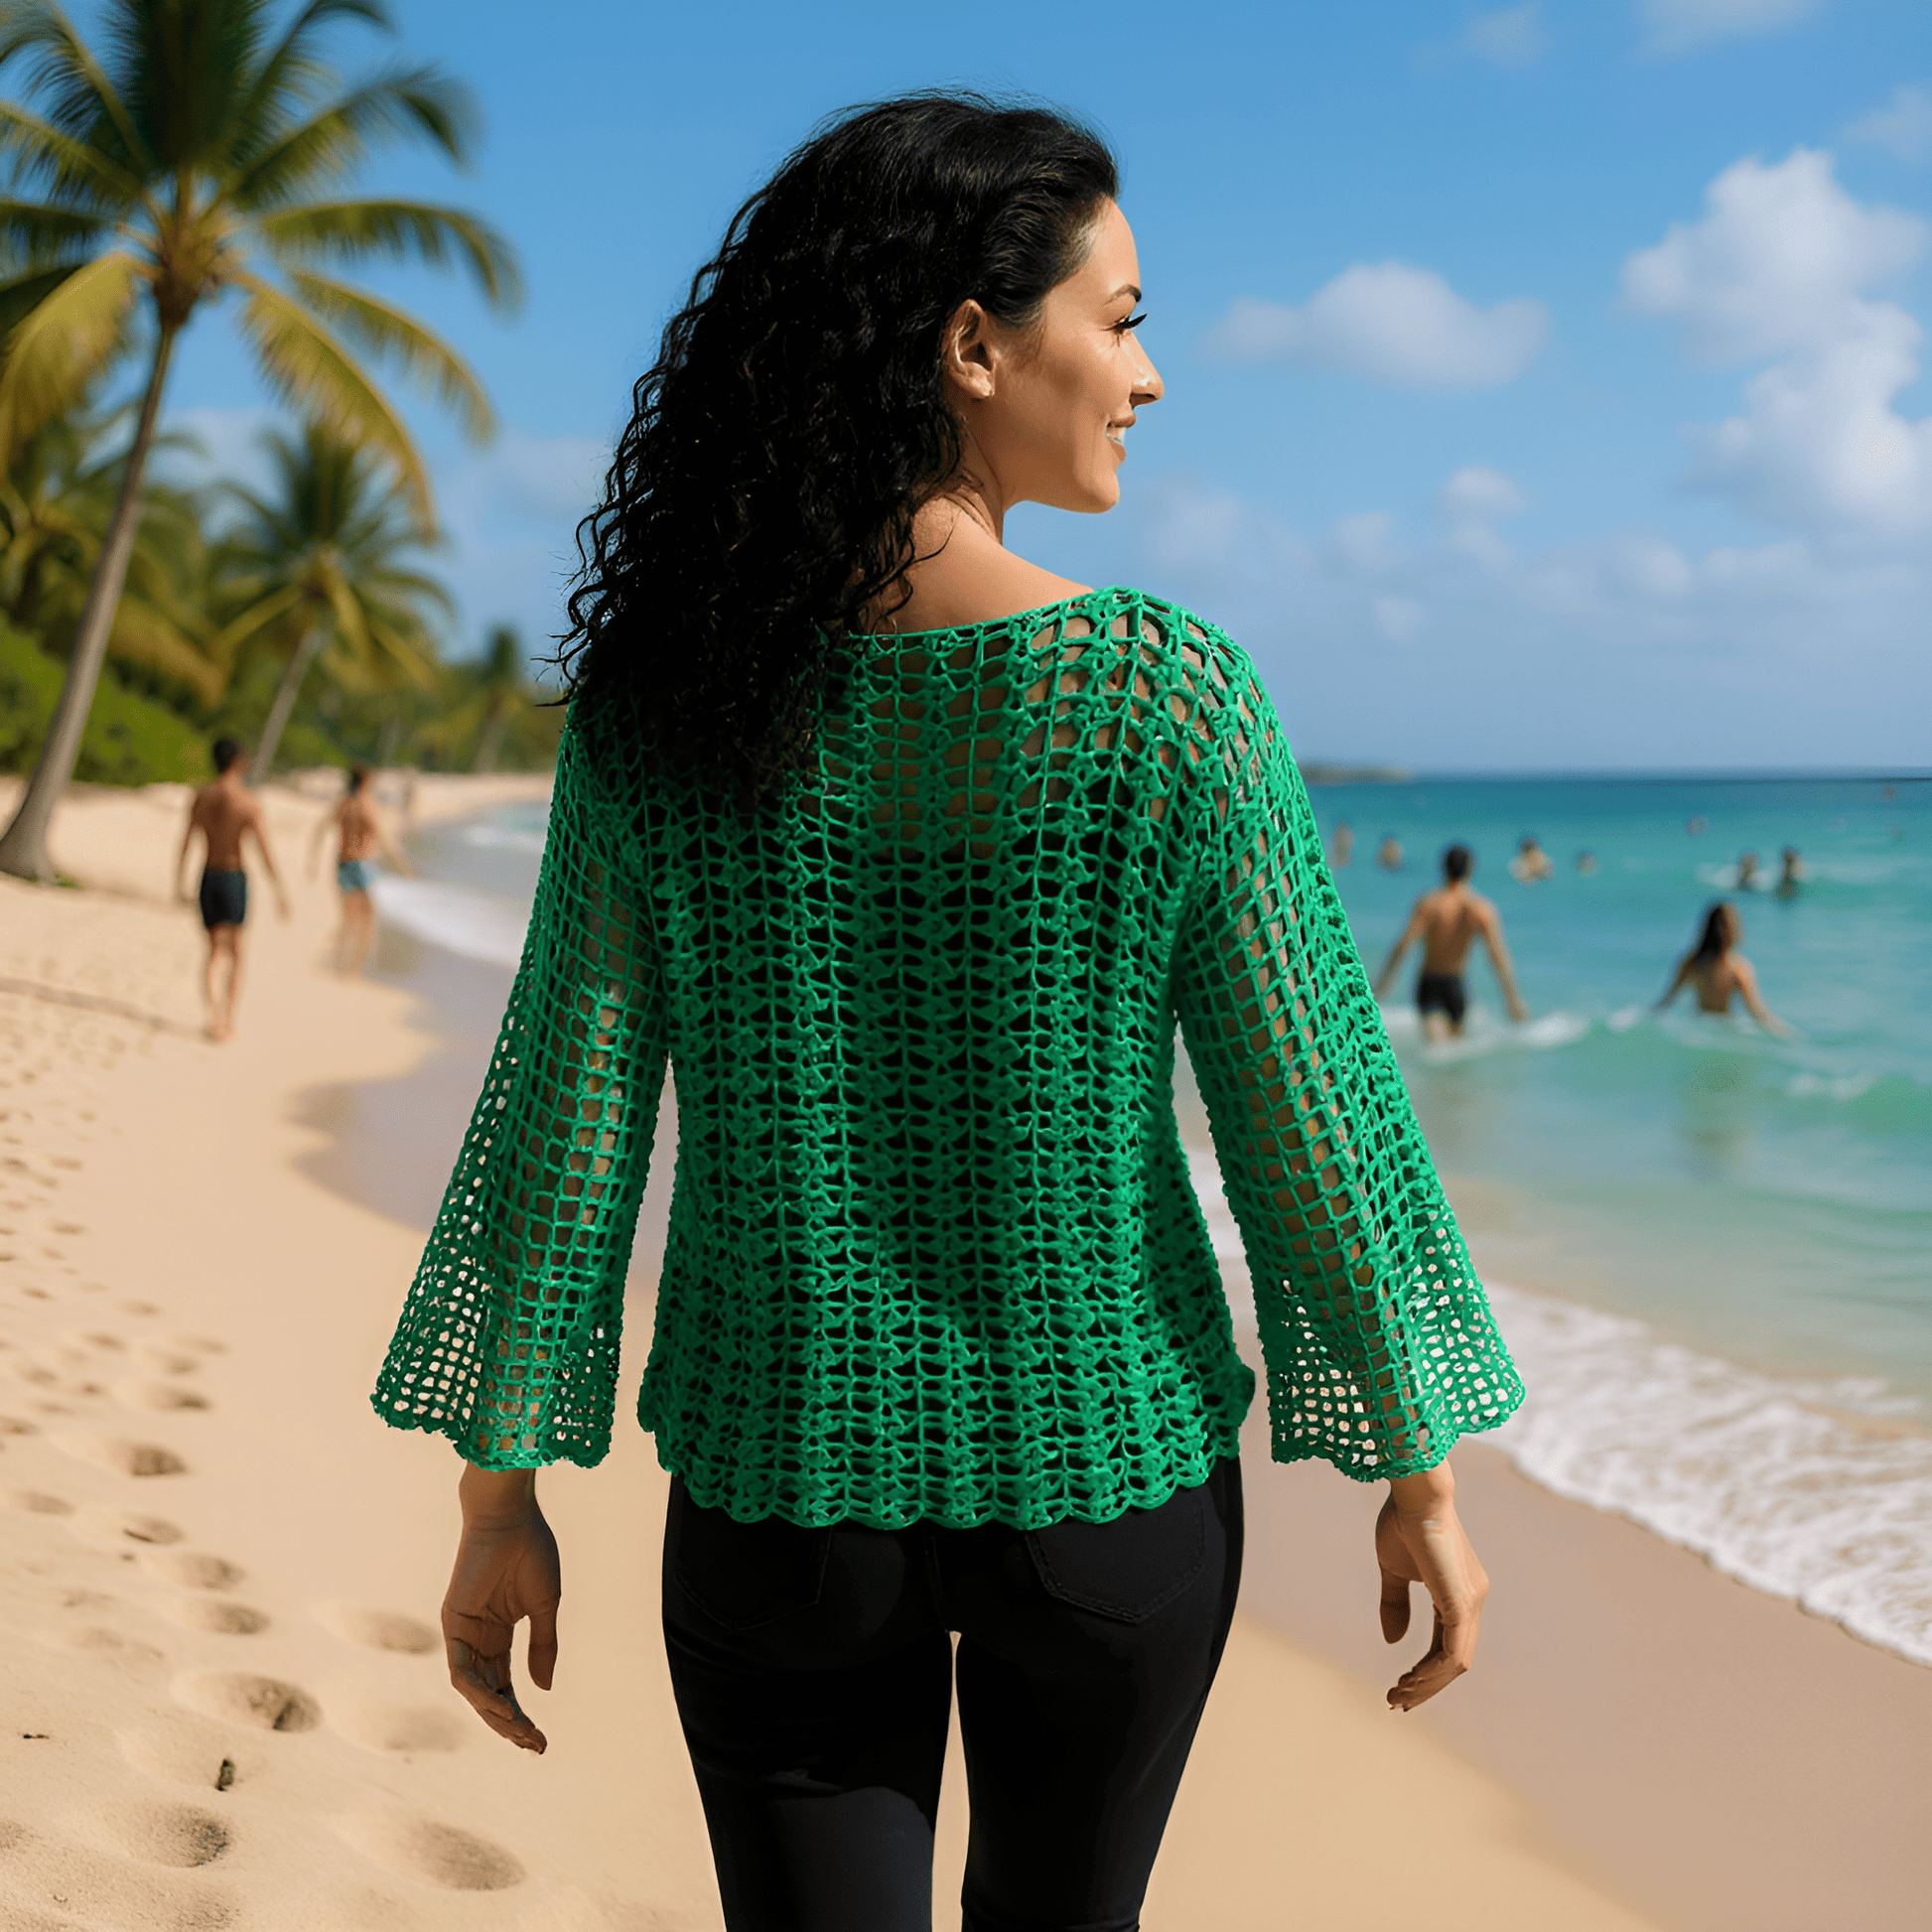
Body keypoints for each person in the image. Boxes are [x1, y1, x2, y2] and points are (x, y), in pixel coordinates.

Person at [370, 94, 1522, 1932]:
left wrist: (497, 1494)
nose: (1149, 375)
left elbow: (563, 1136)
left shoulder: (665, 711)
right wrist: (1415, 1464)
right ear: (973, 346)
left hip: (783, 1487)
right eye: (1124, 318)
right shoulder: (1171, 701)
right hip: (1112, 1483)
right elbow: (1322, 1130)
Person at [174, 737, 288, 1041]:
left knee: (213, 952)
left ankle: (211, 1016)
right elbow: (264, 851)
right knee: (236, 953)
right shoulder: (248, 802)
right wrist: (279, 890)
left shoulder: (201, 798)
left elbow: (185, 843)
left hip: (208, 877)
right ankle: (227, 1019)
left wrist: (179, 883)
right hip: (234, 878)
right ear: (238, 762)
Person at [1374, 843, 1530, 1039]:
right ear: (1471, 869)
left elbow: (1403, 945)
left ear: (1443, 867)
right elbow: (1497, 956)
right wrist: (1513, 1000)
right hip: (1457, 986)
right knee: (1452, 1053)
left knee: (1438, 1050)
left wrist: (1383, 984)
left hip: (1429, 984)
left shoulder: (1429, 904)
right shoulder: (1481, 909)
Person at [307, 762, 412, 975]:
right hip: (362, 864)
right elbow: (380, 835)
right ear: (365, 782)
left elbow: (320, 827)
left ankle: (340, 961)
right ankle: (354, 966)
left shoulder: (344, 805)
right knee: (368, 916)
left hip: (342, 863)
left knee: (348, 915)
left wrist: (313, 861)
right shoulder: (366, 804)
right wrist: (402, 865)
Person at [1658, 902, 1790, 1035]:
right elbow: (1667, 1000)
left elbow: (1756, 1011)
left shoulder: (1733, 967)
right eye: (1725, 924)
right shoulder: (1702, 963)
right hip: (1714, 1030)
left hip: (1703, 1030)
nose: (1727, 930)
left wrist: (1782, 1030)